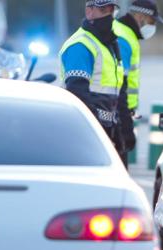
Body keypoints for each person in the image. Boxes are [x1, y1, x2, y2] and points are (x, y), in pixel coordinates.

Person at [59, 0, 124, 147]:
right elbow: (78, 92)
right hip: (86, 131)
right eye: (104, 11)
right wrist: (97, 129)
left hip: (106, 129)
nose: (109, 16)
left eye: (112, 11)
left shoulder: (107, 43)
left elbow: (114, 91)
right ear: (89, 12)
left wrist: (117, 127)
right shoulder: (80, 45)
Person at [113, 0, 163, 167]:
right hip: (116, 114)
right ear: (140, 16)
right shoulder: (123, 37)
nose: (153, 26)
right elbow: (120, 84)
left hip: (119, 112)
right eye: (152, 21)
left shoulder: (126, 33)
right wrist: (125, 123)